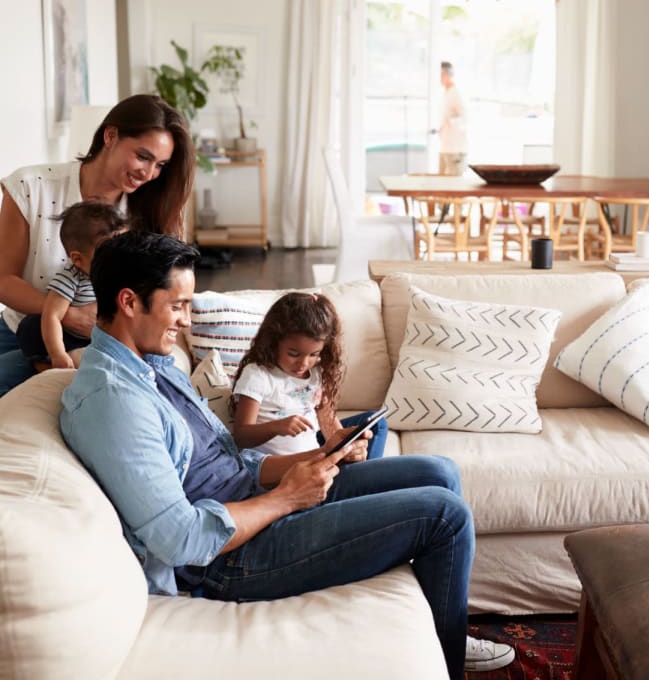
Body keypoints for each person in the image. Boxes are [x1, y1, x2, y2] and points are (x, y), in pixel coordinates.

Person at [59, 231, 515, 678]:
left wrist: (303, 464)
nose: (185, 321)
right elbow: (181, 541)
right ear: (128, 302)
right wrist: (287, 498)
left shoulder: (152, 367)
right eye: (177, 306)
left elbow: (229, 459)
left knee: (438, 471)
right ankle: (451, 654)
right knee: (443, 515)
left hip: (257, 501)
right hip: (226, 558)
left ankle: (441, 625)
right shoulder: (114, 401)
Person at [0, 93, 194, 396]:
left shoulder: (148, 211)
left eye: (160, 165)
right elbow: (3, 280)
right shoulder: (31, 186)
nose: (149, 173)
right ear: (110, 135)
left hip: (107, 340)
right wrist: (66, 313)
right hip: (24, 330)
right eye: (143, 156)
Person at [231, 291, 388, 460]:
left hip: (317, 456)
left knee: (376, 425)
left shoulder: (316, 372)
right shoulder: (258, 375)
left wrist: (346, 449)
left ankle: (361, 473)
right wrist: (276, 427)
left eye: (313, 354)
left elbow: (330, 428)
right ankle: (362, 478)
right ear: (273, 341)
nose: (303, 363)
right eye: (293, 354)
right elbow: (240, 436)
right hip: (287, 468)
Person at [15, 201, 127, 370]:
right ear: (78, 259)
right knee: (31, 326)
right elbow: (52, 316)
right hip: (71, 339)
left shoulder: (122, 274)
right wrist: (57, 353)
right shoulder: (71, 279)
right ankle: (48, 366)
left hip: (105, 337)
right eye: (107, 253)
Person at [437, 61, 469, 176]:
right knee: (441, 185)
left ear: (445, 75)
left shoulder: (457, 93)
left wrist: (450, 123)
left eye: (440, 75)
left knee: (453, 185)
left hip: (455, 149)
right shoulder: (446, 93)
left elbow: (465, 118)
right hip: (445, 146)